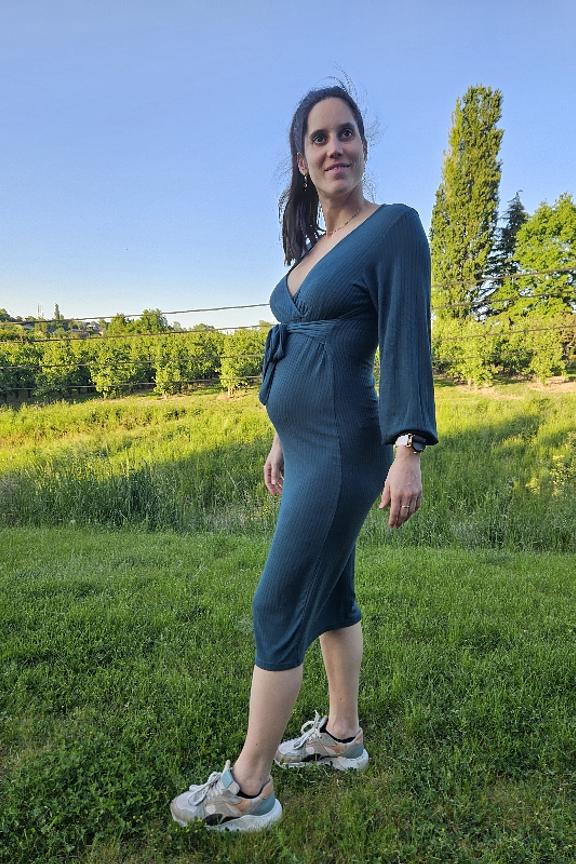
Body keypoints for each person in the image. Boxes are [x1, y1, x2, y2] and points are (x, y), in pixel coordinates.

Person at [170, 81, 438, 833]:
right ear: (302, 160)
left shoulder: (393, 228)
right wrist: (281, 435)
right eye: (319, 138)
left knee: (279, 602)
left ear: (364, 145)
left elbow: (406, 341)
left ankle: (248, 789)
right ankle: (342, 738)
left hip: (349, 449)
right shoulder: (313, 248)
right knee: (329, 597)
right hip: (309, 448)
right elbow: (305, 354)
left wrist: (408, 448)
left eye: (345, 132)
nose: (334, 147)